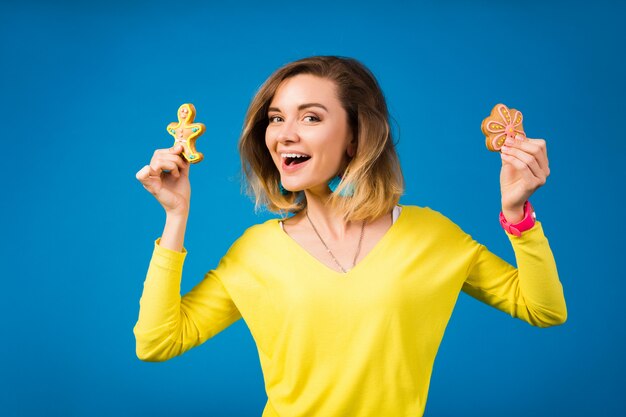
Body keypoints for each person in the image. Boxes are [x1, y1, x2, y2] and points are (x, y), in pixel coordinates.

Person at [134, 56, 567, 417]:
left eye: (311, 117)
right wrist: (176, 216)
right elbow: (158, 342)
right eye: (276, 119)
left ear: (356, 136)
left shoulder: (431, 236)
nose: (285, 134)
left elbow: (543, 310)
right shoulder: (256, 252)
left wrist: (517, 215)